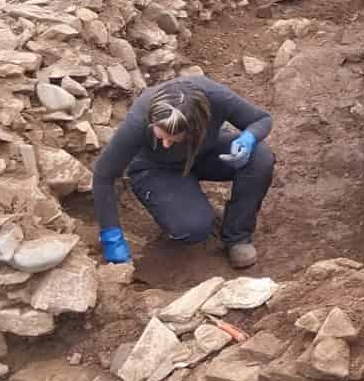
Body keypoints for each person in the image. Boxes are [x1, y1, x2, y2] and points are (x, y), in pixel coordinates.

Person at [91, 77, 276, 269]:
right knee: (193, 228)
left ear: (197, 126)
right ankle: (184, 204)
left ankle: (237, 237)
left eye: (173, 139)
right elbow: (103, 175)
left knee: (260, 155)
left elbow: (262, 119)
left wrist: (248, 138)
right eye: (161, 136)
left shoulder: (216, 97)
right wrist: (111, 238)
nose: (165, 144)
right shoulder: (140, 118)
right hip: (156, 169)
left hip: (203, 153)